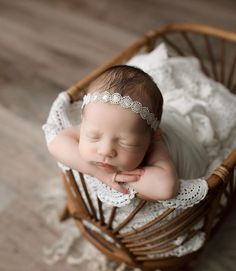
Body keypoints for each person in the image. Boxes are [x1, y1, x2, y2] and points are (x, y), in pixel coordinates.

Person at [45, 65, 208, 201]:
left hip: (176, 133)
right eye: (93, 136)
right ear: (84, 120)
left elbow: (166, 188)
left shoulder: (155, 146)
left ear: (152, 138)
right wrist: (98, 172)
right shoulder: (97, 120)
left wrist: (118, 174)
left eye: (125, 143)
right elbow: (56, 142)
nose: (105, 150)